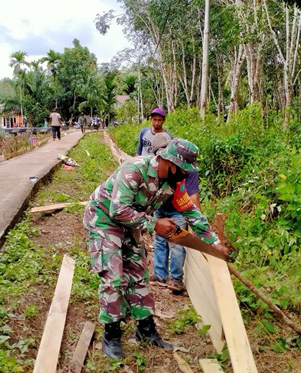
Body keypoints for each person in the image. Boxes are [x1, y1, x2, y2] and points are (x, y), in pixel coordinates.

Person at [84, 138, 229, 359]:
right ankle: (111, 335)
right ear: (170, 162)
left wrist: (214, 243)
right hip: (105, 220)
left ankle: (146, 330)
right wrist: (154, 224)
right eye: (183, 170)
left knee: (138, 274)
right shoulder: (135, 170)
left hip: (131, 222)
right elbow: (117, 210)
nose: (185, 175)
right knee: (114, 277)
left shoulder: (174, 184)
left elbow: (190, 212)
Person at [150, 133, 201, 294]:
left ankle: (177, 280)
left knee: (177, 244)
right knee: (159, 241)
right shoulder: (157, 166)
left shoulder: (188, 170)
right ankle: (160, 275)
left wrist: (198, 224)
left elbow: (193, 196)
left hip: (178, 211)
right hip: (160, 208)